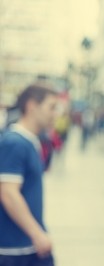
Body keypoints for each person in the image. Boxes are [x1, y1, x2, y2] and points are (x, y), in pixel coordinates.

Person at [0, 83, 58, 266]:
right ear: (32, 106)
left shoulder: (31, 140)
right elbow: (8, 193)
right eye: (51, 107)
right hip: (16, 249)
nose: (55, 113)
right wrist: (37, 234)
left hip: (27, 245)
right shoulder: (15, 142)